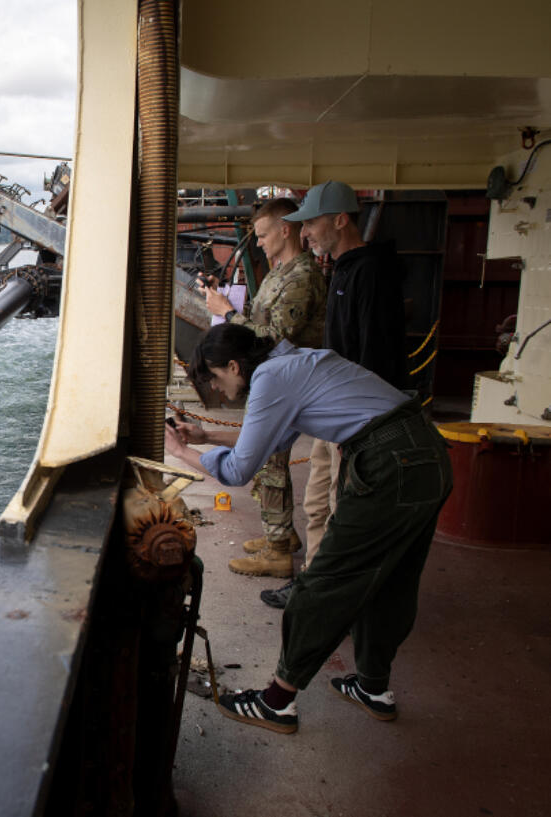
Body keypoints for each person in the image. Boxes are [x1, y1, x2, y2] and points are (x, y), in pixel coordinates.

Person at [164, 324, 450, 734]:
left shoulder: (269, 377)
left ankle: (277, 702)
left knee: (322, 584)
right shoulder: (292, 362)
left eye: (215, 378)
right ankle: (373, 688)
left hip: (389, 464)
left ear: (232, 364)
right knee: (393, 581)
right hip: (426, 454)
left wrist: (182, 452)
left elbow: (238, 470)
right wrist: (206, 433)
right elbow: (275, 438)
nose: (217, 389)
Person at [260, 181, 408, 610]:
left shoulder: (370, 272)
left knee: (343, 508)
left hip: (356, 418)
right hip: (335, 410)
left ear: (340, 220)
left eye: (312, 224)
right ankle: (314, 585)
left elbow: (374, 353)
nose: (305, 233)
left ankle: (333, 594)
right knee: (318, 502)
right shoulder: (343, 269)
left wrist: (357, 426)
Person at [199, 198, 326, 579]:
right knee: (271, 463)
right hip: (275, 380)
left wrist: (227, 313)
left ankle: (276, 551)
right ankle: (282, 536)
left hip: (290, 384)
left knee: (270, 464)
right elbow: (258, 317)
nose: (258, 243)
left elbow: (273, 336)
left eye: (263, 235)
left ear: (285, 230)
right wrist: (226, 299)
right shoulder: (278, 273)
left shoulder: (302, 278)